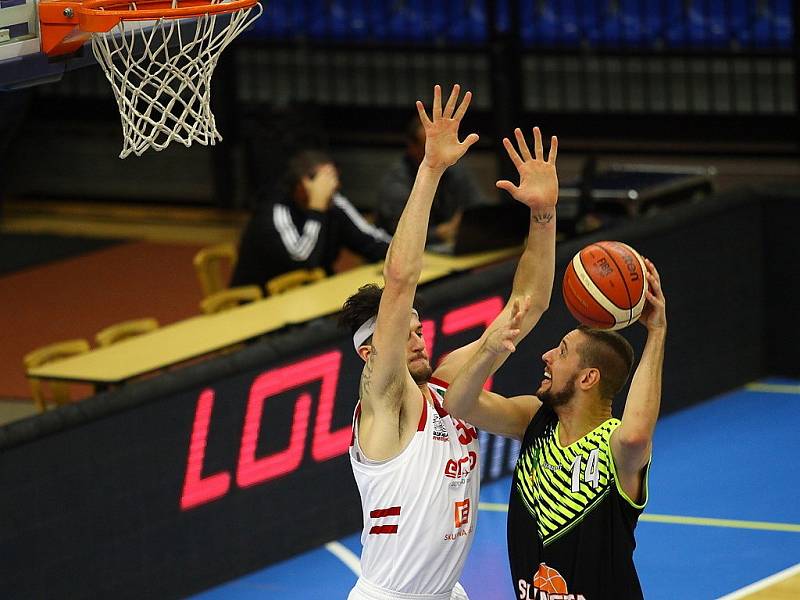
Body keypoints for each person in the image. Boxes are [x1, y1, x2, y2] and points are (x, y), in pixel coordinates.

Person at [339, 83, 560, 599]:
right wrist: (431, 170)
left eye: (417, 323)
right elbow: (400, 279)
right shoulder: (383, 402)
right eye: (401, 327)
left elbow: (531, 300)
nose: (415, 331)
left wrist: (544, 215)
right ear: (370, 353)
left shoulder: (444, 386)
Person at [445, 256, 667, 599]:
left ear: (588, 378)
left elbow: (638, 433)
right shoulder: (536, 418)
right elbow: (458, 404)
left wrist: (656, 333)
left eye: (562, 352)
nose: (546, 355)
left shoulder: (616, 447)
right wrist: (489, 350)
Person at [230, 149, 391, 290]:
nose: (334, 186)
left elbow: (370, 241)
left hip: (308, 296)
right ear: (302, 185)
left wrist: (405, 253)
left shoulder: (333, 203)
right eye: (325, 181)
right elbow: (304, 264)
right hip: (262, 303)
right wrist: (316, 210)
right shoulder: (275, 211)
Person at [375, 114, 487, 246]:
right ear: (412, 146)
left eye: (440, 145)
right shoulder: (396, 182)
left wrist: (468, 221)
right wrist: (440, 233)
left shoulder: (454, 169)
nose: (437, 152)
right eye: (429, 146)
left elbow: (479, 208)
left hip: (449, 249)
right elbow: (401, 234)